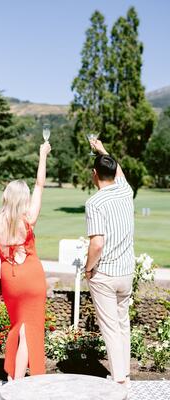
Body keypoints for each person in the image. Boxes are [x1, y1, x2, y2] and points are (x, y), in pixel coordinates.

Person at [0, 142, 51, 380]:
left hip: (10, 280)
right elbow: (40, 184)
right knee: (29, 328)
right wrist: (42, 155)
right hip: (32, 277)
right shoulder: (28, 219)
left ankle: (15, 374)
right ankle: (18, 380)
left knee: (19, 326)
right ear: (23, 199)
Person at [84, 139, 134, 388]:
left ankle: (119, 379)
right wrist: (103, 150)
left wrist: (88, 267)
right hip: (126, 273)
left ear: (94, 174)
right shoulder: (126, 191)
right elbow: (120, 172)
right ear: (114, 172)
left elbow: (97, 244)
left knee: (111, 328)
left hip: (104, 273)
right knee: (123, 323)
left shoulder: (94, 202)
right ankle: (124, 372)